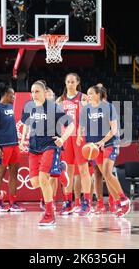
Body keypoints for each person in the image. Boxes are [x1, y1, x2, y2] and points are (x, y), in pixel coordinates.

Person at [19, 80, 75, 225]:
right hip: (33, 147)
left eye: (37, 91)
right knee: (35, 183)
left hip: (50, 145)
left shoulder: (53, 107)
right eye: (32, 92)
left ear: (44, 93)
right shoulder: (29, 107)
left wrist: (62, 139)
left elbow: (71, 125)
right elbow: (26, 124)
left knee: (44, 179)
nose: (34, 94)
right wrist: (23, 139)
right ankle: (60, 170)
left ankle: (50, 214)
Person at [77, 85, 131, 217]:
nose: (88, 96)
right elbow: (81, 126)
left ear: (98, 94)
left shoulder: (109, 107)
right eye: (87, 94)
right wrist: (79, 135)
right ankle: (118, 203)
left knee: (107, 172)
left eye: (90, 93)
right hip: (94, 146)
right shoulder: (86, 109)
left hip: (109, 142)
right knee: (105, 176)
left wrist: (102, 141)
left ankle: (124, 199)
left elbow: (114, 129)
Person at [0, 82, 26, 212]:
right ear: (6, 94)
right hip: (3, 147)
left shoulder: (9, 106)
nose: (14, 97)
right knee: (0, 173)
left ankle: (13, 202)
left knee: (14, 174)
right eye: (12, 95)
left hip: (14, 145)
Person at [55, 73, 89, 215]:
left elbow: (87, 118)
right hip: (65, 138)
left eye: (72, 82)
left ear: (77, 82)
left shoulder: (83, 98)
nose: (70, 84)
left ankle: (86, 203)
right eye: (68, 81)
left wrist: (82, 133)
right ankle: (68, 202)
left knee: (83, 170)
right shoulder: (60, 100)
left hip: (79, 137)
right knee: (68, 171)